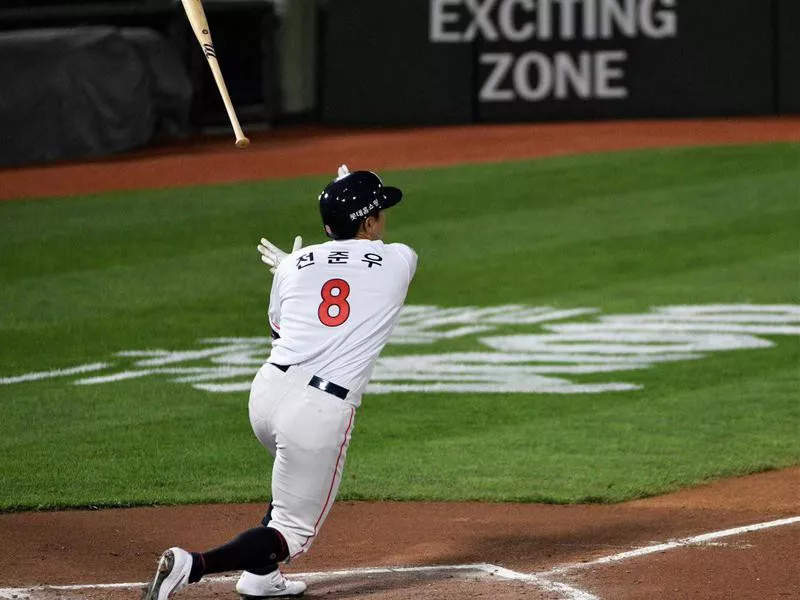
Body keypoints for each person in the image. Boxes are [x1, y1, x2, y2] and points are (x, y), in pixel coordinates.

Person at [142, 165, 417, 599]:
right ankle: (192, 564)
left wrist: (296, 267)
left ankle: (261, 577)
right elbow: (361, 263)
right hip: (317, 412)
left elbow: (279, 330)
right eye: (380, 211)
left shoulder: (293, 267)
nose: (385, 218)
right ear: (368, 222)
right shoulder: (401, 259)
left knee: (291, 479)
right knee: (291, 532)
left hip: (267, 394)